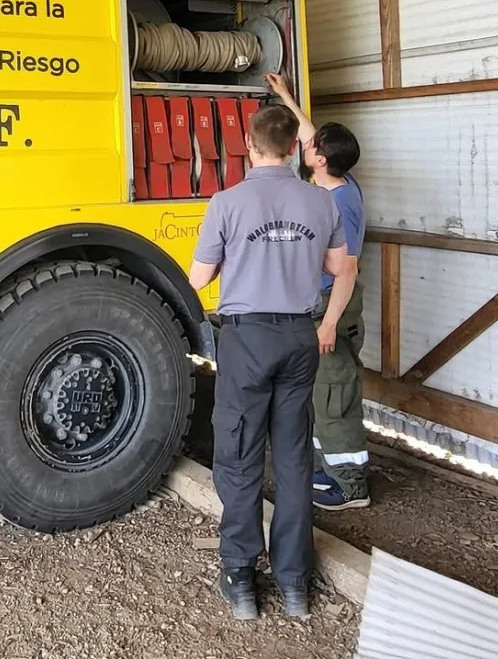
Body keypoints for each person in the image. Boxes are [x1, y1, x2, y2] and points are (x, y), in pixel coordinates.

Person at [189, 104, 356, 621]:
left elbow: (199, 278)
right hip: (299, 338)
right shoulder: (320, 199)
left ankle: (241, 580)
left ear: (249, 143)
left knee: (239, 455)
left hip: (248, 339)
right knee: (292, 457)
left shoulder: (226, 202)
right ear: (292, 148)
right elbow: (339, 266)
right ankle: (294, 583)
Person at [266, 73, 370, 512]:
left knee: (334, 396)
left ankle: (351, 487)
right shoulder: (336, 181)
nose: (304, 144)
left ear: (321, 159)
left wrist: (328, 324)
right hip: (321, 303)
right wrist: (286, 96)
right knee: (319, 392)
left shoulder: (338, 203)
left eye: (311, 146)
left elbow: (347, 269)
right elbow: (311, 134)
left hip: (334, 305)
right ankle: (330, 470)